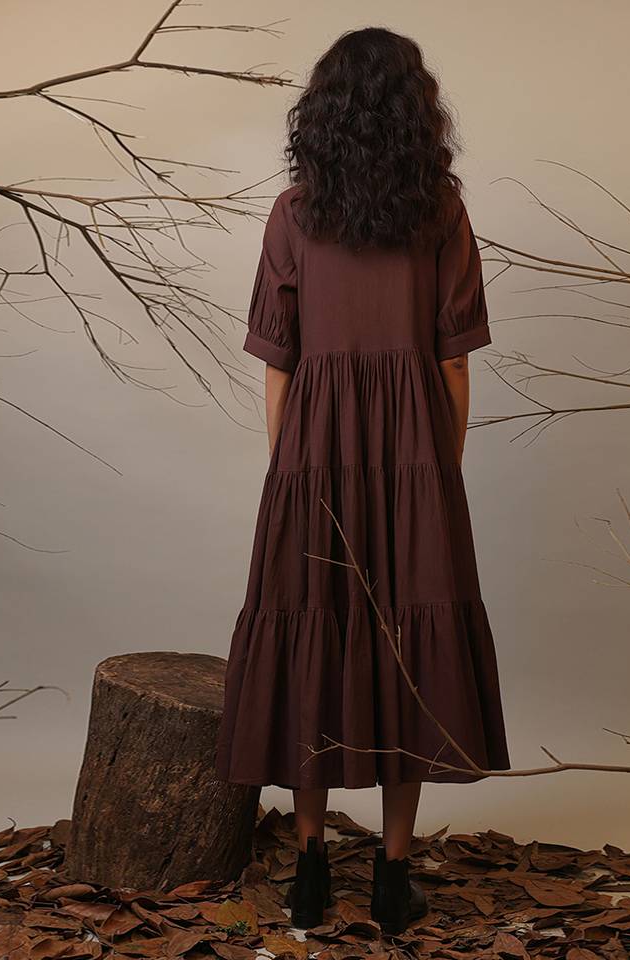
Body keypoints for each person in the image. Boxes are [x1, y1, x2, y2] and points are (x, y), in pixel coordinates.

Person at [215, 25, 511, 935]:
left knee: (313, 628)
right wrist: (440, 467)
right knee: (405, 644)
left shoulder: (293, 213)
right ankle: (392, 872)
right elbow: (453, 359)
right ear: (419, 114)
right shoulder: (441, 212)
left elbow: (278, 361)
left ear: (324, 115)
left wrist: (288, 468)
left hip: (311, 452)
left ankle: (310, 869)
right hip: (417, 448)